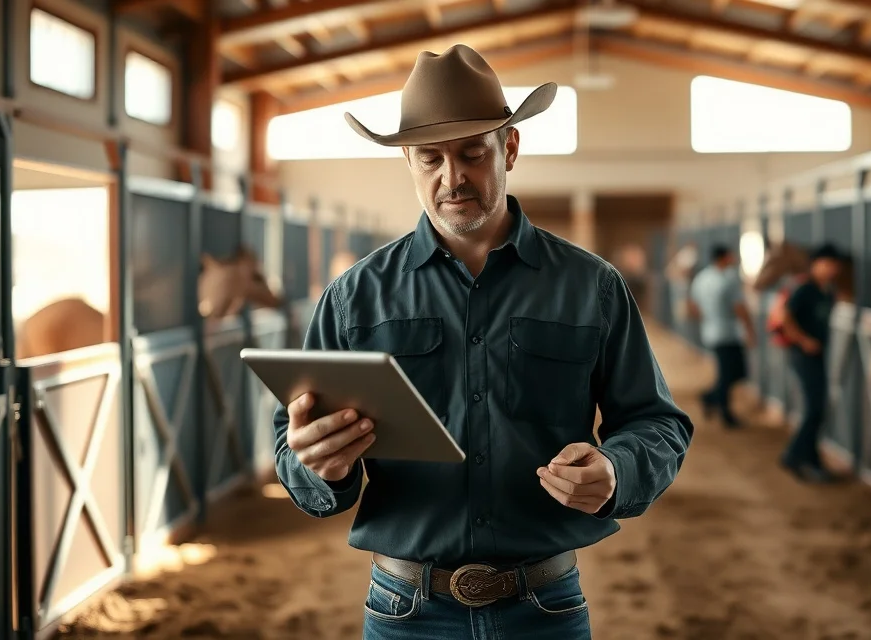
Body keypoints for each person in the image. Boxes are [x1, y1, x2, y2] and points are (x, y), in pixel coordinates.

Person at [271, 44, 694, 640]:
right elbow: (290, 446)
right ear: (410, 165)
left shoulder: (591, 287)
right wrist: (322, 466)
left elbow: (658, 423)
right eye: (429, 159)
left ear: (510, 149)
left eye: (473, 153)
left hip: (544, 606)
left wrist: (617, 469)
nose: (453, 178)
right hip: (405, 612)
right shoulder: (353, 298)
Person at [776, 243, 844, 483]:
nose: (832, 269)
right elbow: (785, 318)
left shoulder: (827, 290)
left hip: (818, 355)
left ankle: (811, 459)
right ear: (816, 264)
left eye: (835, 265)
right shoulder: (804, 289)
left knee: (818, 408)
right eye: (828, 264)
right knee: (815, 408)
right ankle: (794, 455)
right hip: (804, 355)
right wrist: (804, 341)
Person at [688, 244, 757, 427]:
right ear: (724, 257)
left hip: (711, 331)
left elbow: (693, 306)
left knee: (728, 373)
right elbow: (739, 307)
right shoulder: (729, 279)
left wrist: (707, 319)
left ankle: (712, 399)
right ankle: (723, 410)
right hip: (729, 333)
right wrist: (750, 329)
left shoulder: (702, 278)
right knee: (733, 373)